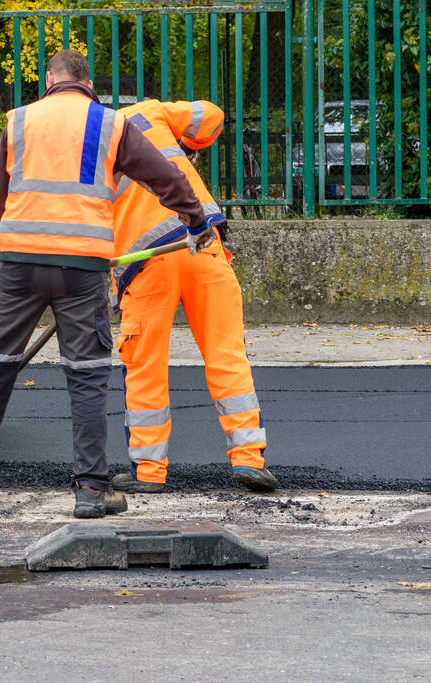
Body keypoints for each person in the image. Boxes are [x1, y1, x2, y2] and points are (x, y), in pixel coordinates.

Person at [0, 50, 209, 518]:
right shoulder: (111, 124)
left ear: (50, 78)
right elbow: (166, 176)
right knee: (86, 376)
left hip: (20, 263)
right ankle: (90, 489)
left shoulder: (19, 121)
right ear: (89, 84)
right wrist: (195, 218)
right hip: (82, 268)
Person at [109, 99, 278, 494]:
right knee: (226, 355)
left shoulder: (84, 144)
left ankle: (149, 472)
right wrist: (186, 148)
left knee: (145, 363)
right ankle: (249, 460)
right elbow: (213, 115)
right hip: (202, 242)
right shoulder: (149, 112)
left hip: (146, 261)